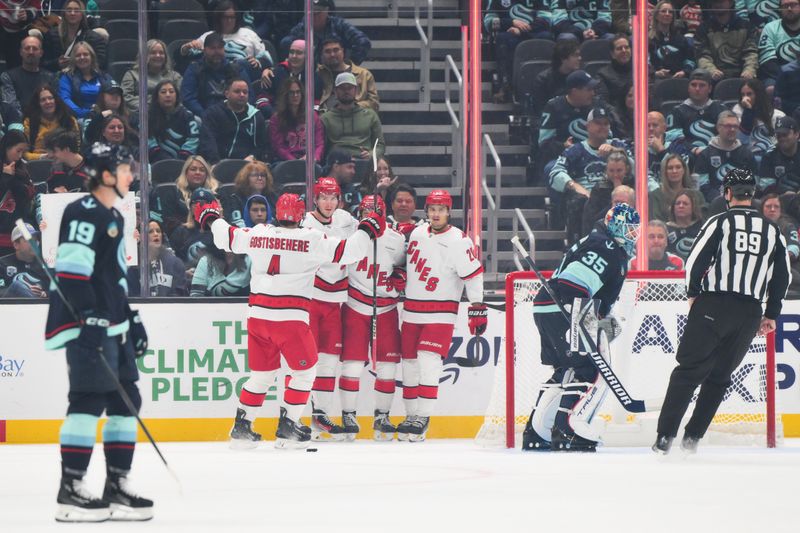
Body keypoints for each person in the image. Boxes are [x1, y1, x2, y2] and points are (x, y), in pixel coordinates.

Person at [191, 188, 385, 449]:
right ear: (300, 214)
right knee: (305, 373)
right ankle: (288, 428)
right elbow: (350, 252)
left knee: (261, 375)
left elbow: (227, 237)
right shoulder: (312, 238)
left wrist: (211, 217)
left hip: (258, 316)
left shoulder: (260, 232)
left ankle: (241, 429)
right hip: (290, 318)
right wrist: (369, 227)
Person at [44, 144, 152, 521]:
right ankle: (70, 488)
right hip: (86, 325)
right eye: (125, 169)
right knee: (88, 400)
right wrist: (88, 319)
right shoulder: (82, 211)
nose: (131, 175)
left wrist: (129, 318)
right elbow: (72, 273)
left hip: (112, 324)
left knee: (126, 401)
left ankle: (116, 485)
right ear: (106, 174)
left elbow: (111, 280)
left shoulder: (114, 215)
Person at [653, 169, 791, 455]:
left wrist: (692, 294)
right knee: (719, 377)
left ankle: (665, 437)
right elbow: (782, 277)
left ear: (727, 193)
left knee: (688, 372)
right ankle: (692, 439)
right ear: (751, 194)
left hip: (713, 305)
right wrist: (771, 314)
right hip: (749, 312)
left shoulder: (720, 222)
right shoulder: (772, 229)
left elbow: (696, 261)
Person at [522, 203, 640, 452]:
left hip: (545, 301)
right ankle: (567, 430)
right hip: (573, 302)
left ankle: (535, 432)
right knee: (588, 369)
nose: (633, 236)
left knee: (565, 368)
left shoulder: (593, 238)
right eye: (629, 230)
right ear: (616, 225)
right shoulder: (614, 253)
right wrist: (606, 333)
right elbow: (599, 307)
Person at [398, 189, 486, 442]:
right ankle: (410, 415)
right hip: (412, 311)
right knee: (410, 366)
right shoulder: (416, 234)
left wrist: (477, 307)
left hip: (441, 312)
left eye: (441, 209)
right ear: (427, 211)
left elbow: (473, 274)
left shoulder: (459, 240)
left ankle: (423, 418)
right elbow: (408, 266)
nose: (436, 214)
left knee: (428, 362)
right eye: (433, 209)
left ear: (449, 212)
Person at [339, 194, 406, 440]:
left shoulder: (396, 239)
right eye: (365, 212)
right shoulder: (353, 237)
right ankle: (348, 415)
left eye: (373, 212)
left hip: (386, 308)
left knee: (388, 367)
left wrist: (401, 275)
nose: (369, 217)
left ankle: (382, 416)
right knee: (353, 365)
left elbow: (402, 265)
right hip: (355, 306)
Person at [303, 177, 358, 440]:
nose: (328, 202)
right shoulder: (306, 224)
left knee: (328, 361)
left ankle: (320, 415)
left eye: (333, 197)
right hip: (312, 298)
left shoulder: (345, 219)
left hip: (336, 301)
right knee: (305, 361)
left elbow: (367, 234)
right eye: (324, 197)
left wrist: (375, 217)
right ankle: (296, 416)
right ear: (315, 198)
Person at [180, 0, 274, 85]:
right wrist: (186, 48)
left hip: (244, 76)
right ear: (219, 18)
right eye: (225, 17)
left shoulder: (249, 34)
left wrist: (258, 61)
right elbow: (187, 55)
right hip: (214, 77)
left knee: (241, 64)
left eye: (232, 17)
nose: (229, 21)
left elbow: (267, 58)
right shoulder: (209, 36)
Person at [484, 0, 553, 103]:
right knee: (502, 39)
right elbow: (488, 23)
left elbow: (547, 19)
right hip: (509, 34)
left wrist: (522, 30)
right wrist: (511, 22)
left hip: (533, 33)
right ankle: (506, 87)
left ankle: (548, 85)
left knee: (546, 36)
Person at [180, 32, 251, 119]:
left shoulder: (236, 69)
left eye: (220, 48)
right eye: (212, 48)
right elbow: (188, 98)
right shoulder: (194, 69)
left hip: (233, 116)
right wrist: (205, 115)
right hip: (203, 116)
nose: (216, 52)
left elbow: (249, 95)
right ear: (205, 50)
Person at [198, 77, 268, 164]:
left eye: (245, 92)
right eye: (237, 91)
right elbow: (208, 141)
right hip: (215, 163)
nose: (242, 95)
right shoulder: (213, 113)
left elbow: (262, 145)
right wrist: (216, 163)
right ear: (227, 94)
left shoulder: (256, 116)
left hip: (247, 166)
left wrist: (253, 156)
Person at [281, 0, 372, 66]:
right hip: (311, 74)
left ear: (327, 11)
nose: (315, 17)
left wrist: (350, 64)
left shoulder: (338, 25)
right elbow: (285, 43)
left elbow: (363, 41)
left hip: (336, 70)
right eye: (311, 13)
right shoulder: (301, 28)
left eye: (318, 13)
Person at [694, 111, 757, 202]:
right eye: (728, 126)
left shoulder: (747, 154)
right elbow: (703, 184)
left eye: (735, 126)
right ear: (718, 127)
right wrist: (720, 200)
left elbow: (754, 183)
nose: (732, 129)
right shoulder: (706, 154)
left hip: (742, 201)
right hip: (714, 203)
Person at [320, 72, 385, 160]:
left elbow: (380, 145)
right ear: (335, 91)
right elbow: (320, 147)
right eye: (342, 88)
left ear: (356, 90)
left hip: (364, 162)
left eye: (349, 88)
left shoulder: (370, 115)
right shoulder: (326, 118)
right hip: (337, 164)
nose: (346, 91)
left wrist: (371, 154)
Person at [150, 155, 218, 237]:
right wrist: (190, 225)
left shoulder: (217, 193)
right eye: (193, 169)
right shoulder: (174, 192)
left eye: (202, 170)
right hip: (183, 235)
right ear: (186, 173)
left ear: (206, 174)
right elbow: (169, 221)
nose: (198, 172)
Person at [254, 39, 322, 117]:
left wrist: (303, 119)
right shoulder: (275, 73)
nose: (294, 56)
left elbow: (316, 105)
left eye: (299, 53)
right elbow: (262, 99)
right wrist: (274, 115)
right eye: (291, 52)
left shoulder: (314, 78)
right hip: (277, 119)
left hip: (304, 122)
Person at [694, 0, 758, 82]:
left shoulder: (746, 26)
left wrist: (749, 70)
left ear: (731, 3)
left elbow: (751, 53)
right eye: (715, 2)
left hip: (742, 74)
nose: (717, 4)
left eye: (721, 1)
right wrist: (711, 70)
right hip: (714, 76)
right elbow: (702, 56)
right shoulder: (703, 28)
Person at [667, 69, 727, 154]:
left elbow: (729, 137)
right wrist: (694, 150)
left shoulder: (721, 110)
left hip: (716, 156)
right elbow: (674, 141)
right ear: (688, 88)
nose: (697, 89)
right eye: (693, 85)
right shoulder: (677, 111)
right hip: (687, 158)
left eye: (702, 85)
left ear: (710, 89)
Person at [268, 78, 324, 164]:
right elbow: (279, 147)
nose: (295, 95)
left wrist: (314, 157)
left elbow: (319, 143)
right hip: (286, 162)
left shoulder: (313, 116)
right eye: (291, 93)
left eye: (298, 92)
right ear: (285, 95)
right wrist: (294, 161)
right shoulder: (276, 119)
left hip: (310, 160)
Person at [120, 39, 183, 114]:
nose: (158, 55)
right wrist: (154, 106)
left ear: (165, 56)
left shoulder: (175, 76)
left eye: (161, 53)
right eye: (153, 53)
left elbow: (180, 99)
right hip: (141, 115)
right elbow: (126, 98)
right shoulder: (131, 75)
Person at [127, 220, 187, 297]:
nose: (156, 234)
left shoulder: (176, 263)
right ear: (141, 237)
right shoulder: (134, 267)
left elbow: (179, 295)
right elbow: (133, 296)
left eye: (158, 231)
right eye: (150, 231)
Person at [318, 36, 379, 112]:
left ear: (343, 51)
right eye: (327, 51)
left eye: (336, 50)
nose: (332, 54)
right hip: (325, 120)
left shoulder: (364, 74)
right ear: (321, 55)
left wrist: (350, 106)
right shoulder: (318, 73)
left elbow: (374, 103)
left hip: (356, 118)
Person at [42, 0, 107, 72]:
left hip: (84, 77)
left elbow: (101, 64)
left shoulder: (94, 38)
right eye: (69, 10)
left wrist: (79, 63)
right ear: (64, 14)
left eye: (76, 10)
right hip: (56, 77)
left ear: (82, 14)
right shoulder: (51, 35)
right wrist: (57, 63)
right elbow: (43, 63)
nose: (72, 13)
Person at [581, 151, 634, 235]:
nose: (615, 175)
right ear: (606, 170)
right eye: (611, 171)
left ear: (626, 169)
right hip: (603, 231)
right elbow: (592, 220)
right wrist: (614, 200)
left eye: (619, 170)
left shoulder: (634, 186)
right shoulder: (599, 189)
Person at [147, 80, 200, 163]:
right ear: (157, 97)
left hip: (184, 161)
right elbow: (147, 139)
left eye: (171, 92)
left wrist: (183, 156)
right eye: (163, 92)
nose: (168, 95)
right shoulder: (148, 117)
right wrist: (158, 155)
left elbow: (193, 139)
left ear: (177, 96)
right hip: (156, 162)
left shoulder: (187, 116)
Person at [23, 85, 80, 161]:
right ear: (38, 104)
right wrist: (44, 157)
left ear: (56, 100)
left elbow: (76, 149)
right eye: (43, 100)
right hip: (38, 162)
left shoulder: (69, 120)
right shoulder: (29, 122)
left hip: (64, 162)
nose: (48, 102)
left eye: (50, 98)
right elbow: (24, 153)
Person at [0, 35, 56, 113]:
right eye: (27, 48)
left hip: (45, 120)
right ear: (21, 52)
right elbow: (11, 106)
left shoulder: (51, 77)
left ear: (41, 53)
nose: (31, 52)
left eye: (35, 48)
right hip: (19, 122)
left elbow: (54, 104)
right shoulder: (8, 76)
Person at [0, 130, 34, 256]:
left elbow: (27, 196)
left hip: (17, 229)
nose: (20, 156)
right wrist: (5, 177)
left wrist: (13, 179)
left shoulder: (22, 169)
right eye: (18, 151)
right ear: (7, 147)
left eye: (22, 152)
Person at [732, 79, 783, 163]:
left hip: (772, 159)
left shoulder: (778, 115)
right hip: (746, 158)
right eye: (742, 95)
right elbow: (740, 139)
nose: (745, 98)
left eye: (749, 94)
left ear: (759, 95)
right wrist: (748, 111)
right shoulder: (737, 111)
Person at [529, 39, 581, 118]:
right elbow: (540, 109)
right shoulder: (543, 79)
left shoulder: (580, 77)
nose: (580, 58)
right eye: (575, 55)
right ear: (563, 58)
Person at [218, 160, 276, 228]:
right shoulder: (235, 197)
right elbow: (236, 223)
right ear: (246, 178)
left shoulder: (272, 197)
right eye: (255, 175)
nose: (260, 178)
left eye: (263, 175)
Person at [649, 153, 704, 223]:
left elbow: (702, 220)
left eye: (678, 167)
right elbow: (655, 223)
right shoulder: (655, 196)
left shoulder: (697, 195)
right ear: (664, 172)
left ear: (684, 170)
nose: (674, 171)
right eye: (670, 168)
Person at [758, 0, 800, 89]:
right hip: (776, 76)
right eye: (785, 6)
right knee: (771, 89)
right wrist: (788, 78)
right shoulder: (770, 28)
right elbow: (767, 62)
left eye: (793, 5)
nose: (789, 8)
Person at [649, 0, 695, 80]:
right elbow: (644, 64)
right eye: (663, 11)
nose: (667, 14)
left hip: (679, 79)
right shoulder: (648, 39)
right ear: (656, 15)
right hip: (656, 80)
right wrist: (655, 73)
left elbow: (690, 60)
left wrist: (684, 72)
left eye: (670, 12)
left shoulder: (681, 39)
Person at [83, 80, 138, 146]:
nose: (115, 96)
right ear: (102, 96)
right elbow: (87, 139)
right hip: (99, 152)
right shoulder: (92, 115)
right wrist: (102, 115)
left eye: (118, 94)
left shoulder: (131, 117)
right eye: (111, 93)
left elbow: (138, 139)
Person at [0, 222, 47, 298]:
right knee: (17, 285)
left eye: (35, 239)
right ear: (16, 245)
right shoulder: (2, 263)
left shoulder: (44, 265)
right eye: (28, 240)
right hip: (11, 308)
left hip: (42, 307)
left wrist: (44, 294)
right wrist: (25, 290)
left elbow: (56, 290)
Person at [646, 111, 690, 186]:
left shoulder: (678, 147)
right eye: (647, 126)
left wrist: (661, 151)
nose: (651, 129)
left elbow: (682, 172)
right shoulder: (636, 149)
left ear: (664, 128)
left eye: (655, 125)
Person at [759, 116, 800, 193]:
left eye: (785, 134)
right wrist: (782, 193)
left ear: (797, 134)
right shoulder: (769, 156)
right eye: (778, 135)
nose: (781, 138)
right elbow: (766, 187)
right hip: (779, 200)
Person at [45, 128, 90, 192]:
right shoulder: (54, 170)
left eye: (54, 151)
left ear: (67, 149)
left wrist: (68, 196)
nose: (50, 155)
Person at [666, 190, 706, 261]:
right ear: (673, 207)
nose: (681, 206)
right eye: (678, 203)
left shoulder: (703, 226)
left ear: (693, 207)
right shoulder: (665, 229)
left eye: (685, 203)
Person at [596, 35, 633, 110]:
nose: (624, 50)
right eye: (619, 48)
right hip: (616, 116)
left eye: (626, 47)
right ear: (612, 54)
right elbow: (602, 101)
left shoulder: (640, 71)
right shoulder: (602, 75)